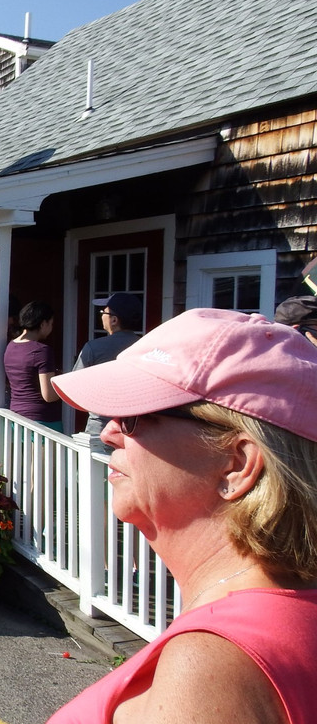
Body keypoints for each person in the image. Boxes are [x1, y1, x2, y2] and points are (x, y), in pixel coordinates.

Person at [48, 309, 317, 724]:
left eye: (133, 418)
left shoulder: (213, 666)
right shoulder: (287, 613)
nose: (108, 432)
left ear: (236, 463)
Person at [71, 293, 144, 454]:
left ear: (114, 320)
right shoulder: (146, 346)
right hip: (137, 428)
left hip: (100, 428)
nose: (101, 316)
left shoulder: (94, 348)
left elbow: (75, 387)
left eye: (103, 313)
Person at [3, 301, 62, 431]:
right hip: (42, 420)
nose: (51, 328)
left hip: (16, 415)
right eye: (51, 323)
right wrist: (67, 385)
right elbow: (49, 395)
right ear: (43, 324)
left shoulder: (10, 347)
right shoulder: (42, 350)